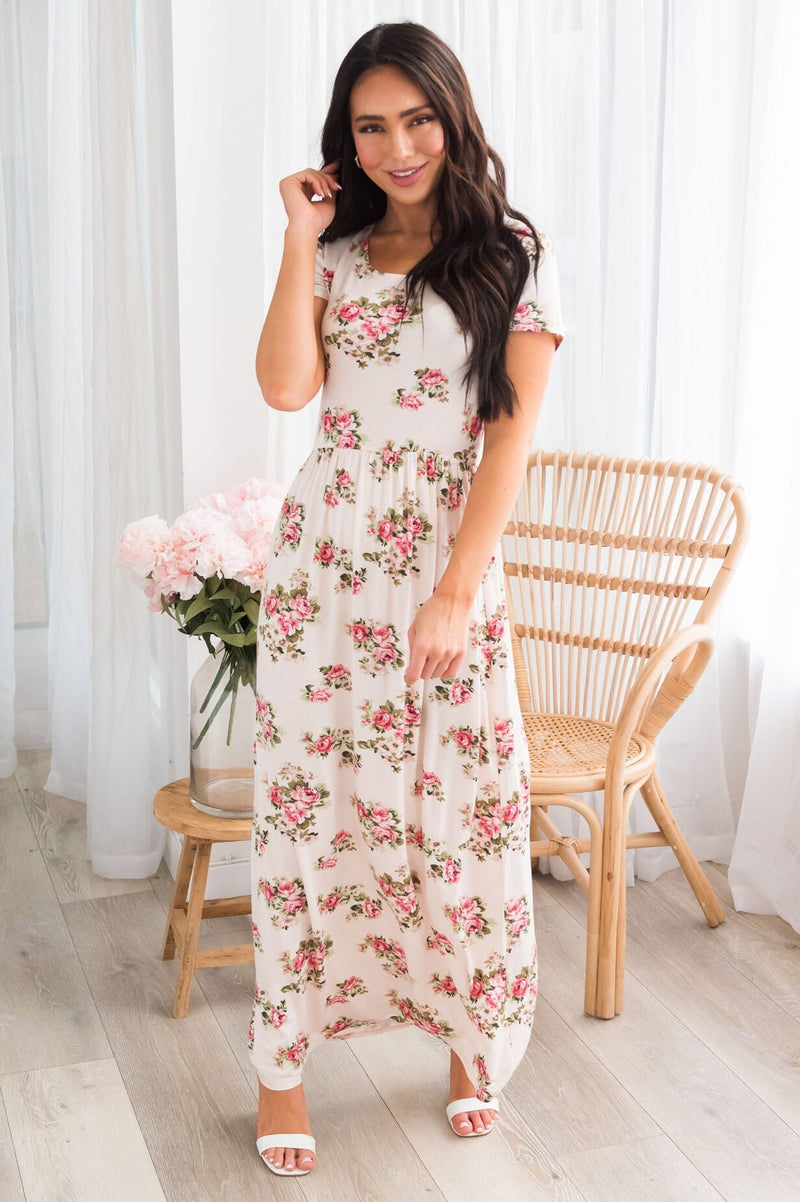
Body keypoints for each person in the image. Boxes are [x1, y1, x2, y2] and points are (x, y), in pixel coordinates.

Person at [250, 19, 564, 1178]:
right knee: (310, 810)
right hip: (324, 567)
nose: (398, 146)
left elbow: (507, 442)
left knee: (459, 803)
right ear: (346, 137)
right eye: (372, 125)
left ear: (452, 116)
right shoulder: (332, 253)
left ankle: (467, 1036)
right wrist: (299, 237)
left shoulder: (509, 253)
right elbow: (287, 388)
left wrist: (453, 592)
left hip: (445, 558)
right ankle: (281, 1068)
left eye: (417, 119)